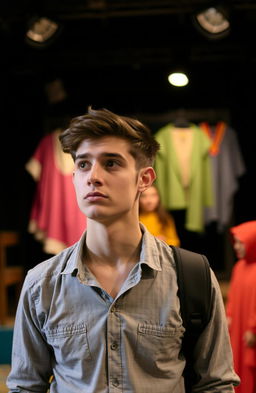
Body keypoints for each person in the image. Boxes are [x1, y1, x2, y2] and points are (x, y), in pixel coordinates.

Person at [7, 107, 239, 393]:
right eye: (83, 164)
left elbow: (216, 384)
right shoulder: (42, 283)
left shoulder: (191, 277)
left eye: (111, 163)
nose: (93, 176)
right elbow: (26, 387)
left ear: (144, 178)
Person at [226, 221, 256, 393]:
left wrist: (253, 328)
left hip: (249, 331)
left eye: (241, 242)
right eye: (235, 242)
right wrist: (229, 315)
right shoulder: (239, 267)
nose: (236, 246)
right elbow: (233, 295)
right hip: (238, 326)